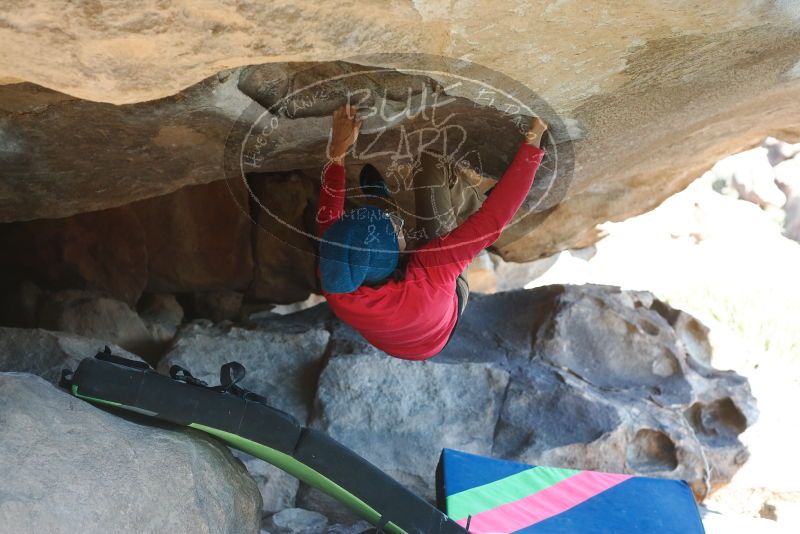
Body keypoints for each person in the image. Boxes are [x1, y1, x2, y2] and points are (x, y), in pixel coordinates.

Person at [316, 104, 548, 360]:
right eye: (397, 228)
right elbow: (492, 222)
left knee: (374, 228)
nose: (400, 225)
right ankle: (466, 203)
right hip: (438, 322)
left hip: (395, 330)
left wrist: (337, 150)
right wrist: (534, 140)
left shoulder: (337, 272)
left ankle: (381, 203)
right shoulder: (431, 272)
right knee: (431, 164)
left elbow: (328, 215)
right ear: (399, 256)